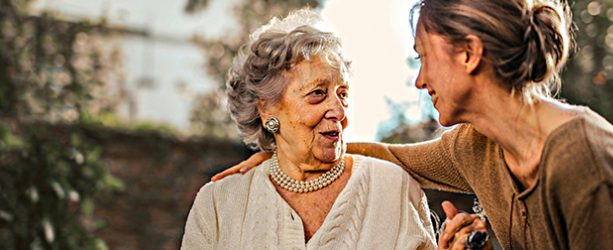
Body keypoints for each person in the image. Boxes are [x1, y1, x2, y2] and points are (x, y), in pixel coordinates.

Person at [212, 0, 613, 249]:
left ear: (469, 54)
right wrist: (284, 152)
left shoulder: (586, 163)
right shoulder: (476, 146)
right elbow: (391, 155)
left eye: (424, 56)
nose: (420, 79)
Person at [181, 9, 440, 249]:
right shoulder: (218, 204)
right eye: (317, 93)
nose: (339, 112)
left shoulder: (394, 188)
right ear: (267, 110)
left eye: (343, 94)